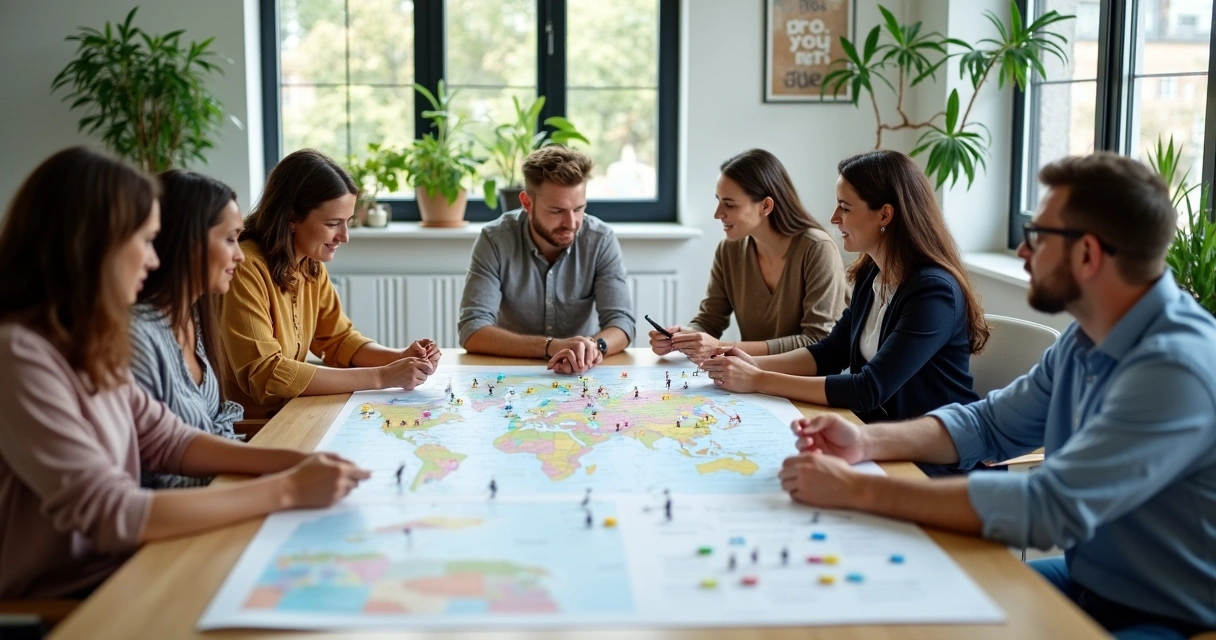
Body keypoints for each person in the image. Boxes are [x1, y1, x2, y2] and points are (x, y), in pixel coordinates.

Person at [779, 153, 1216, 639]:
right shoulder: (1085, 338)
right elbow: (986, 424)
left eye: (1038, 237)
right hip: (1089, 581)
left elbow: (1047, 508)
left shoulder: (1173, 369)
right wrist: (869, 444)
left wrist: (859, 489)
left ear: (1088, 255)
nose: (1024, 253)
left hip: (1168, 614)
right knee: (919, 614)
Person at [0, 147, 370, 599]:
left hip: (139, 557)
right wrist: (287, 489)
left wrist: (296, 460)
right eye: (141, 241)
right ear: (87, 244)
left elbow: (168, 439)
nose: (154, 260)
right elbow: (108, 511)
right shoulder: (20, 354)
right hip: (85, 589)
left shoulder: (87, 339)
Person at [701, 150, 987, 425]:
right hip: (876, 435)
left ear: (885, 215)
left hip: (936, 452)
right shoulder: (871, 275)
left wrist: (757, 379)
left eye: (845, 208)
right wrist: (751, 362)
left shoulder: (933, 293)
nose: (834, 218)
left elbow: (868, 389)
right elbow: (829, 353)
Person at [220, 149, 441, 419]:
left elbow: (338, 340)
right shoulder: (245, 268)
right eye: (333, 223)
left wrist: (398, 357)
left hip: (291, 412)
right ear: (291, 217)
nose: (344, 236)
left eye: (347, 222)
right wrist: (382, 377)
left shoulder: (310, 265)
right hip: (250, 426)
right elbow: (267, 374)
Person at [649, 149, 847, 359]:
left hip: (806, 381)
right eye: (718, 201)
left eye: (729, 204)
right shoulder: (729, 251)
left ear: (766, 206)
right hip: (753, 378)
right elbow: (710, 321)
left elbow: (817, 339)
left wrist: (723, 347)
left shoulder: (817, 248)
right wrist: (683, 337)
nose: (717, 214)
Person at [458, 146, 635, 374]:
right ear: (527, 203)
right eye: (557, 211)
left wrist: (595, 346)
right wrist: (552, 346)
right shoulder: (495, 240)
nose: (571, 223)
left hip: (582, 371)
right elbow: (472, 330)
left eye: (579, 209)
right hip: (513, 371)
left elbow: (621, 322)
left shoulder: (600, 240)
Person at [130, 170, 246, 489]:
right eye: (230, 238)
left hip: (217, 490)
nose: (241, 255)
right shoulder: (137, 335)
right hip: (179, 515)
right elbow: (152, 475)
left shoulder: (194, 316)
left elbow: (220, 423)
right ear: (188, 241)